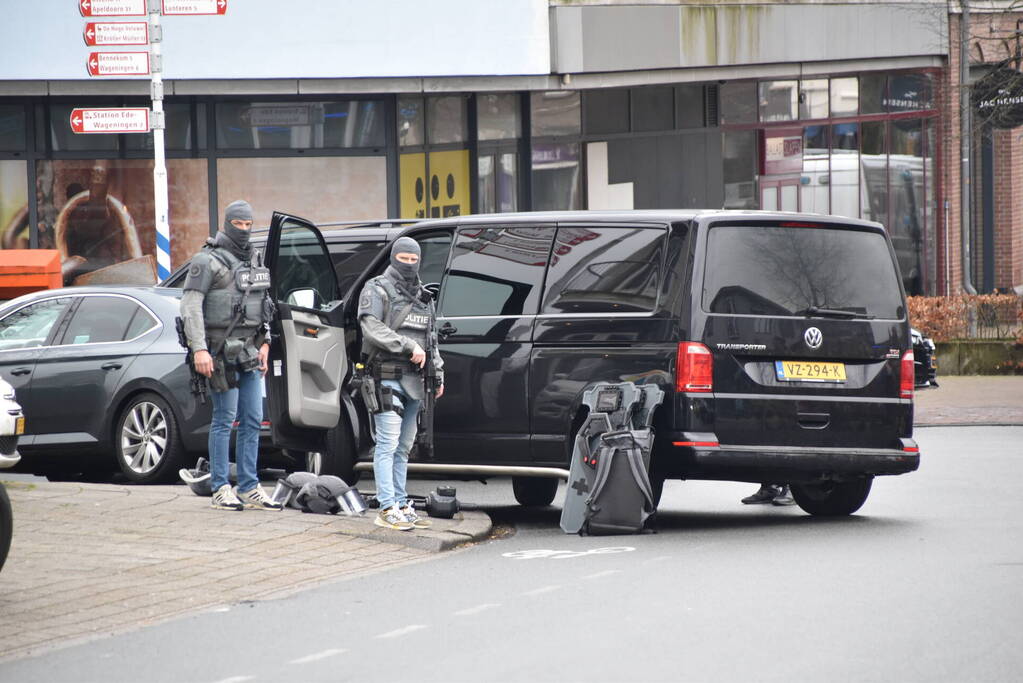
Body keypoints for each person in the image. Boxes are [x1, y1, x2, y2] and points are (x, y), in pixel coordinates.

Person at [180, 200, 282, 512]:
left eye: (249, 224)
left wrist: (265, 343)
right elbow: (190, 306)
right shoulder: (205, 260)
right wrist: (199, 348)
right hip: (219, 351)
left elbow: (264, 305)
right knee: (225, 419)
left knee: (253, 418)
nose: (244, 230)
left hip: (249, 350)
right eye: (239, 224)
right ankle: (221, 486)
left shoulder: (254, 259)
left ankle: (250, 487)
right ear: (227, 223)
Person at [358, 237, 444, 531]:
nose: (408, 264)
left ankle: (400, 502)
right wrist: (406, 345)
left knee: (404, 447)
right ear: (394, 258)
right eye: (403, 258)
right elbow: (371, 328)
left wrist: (439, 373)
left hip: (416, 381)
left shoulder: (423, 295)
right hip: (386, 375)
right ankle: (386, 508)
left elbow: (431, 339)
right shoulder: (376, 288)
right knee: (387, 443)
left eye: (413, 259)